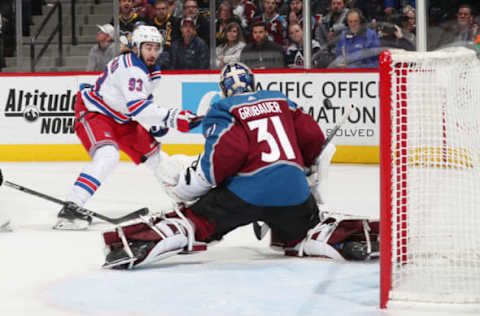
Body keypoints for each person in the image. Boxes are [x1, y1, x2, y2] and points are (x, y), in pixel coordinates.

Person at [100, 62, 380, 269]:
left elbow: (223, 159)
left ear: (223, 90)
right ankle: (349, 239)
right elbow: (314, 140)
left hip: (244, 195)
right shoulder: (282, 101)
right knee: (306, 230)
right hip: (293, 193)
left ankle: (137, 242)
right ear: (254, 83)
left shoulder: (224, 108)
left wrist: (188, 189)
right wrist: (303, 168)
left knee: (195, 222)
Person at [53, 25, 201, 230]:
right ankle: (72, 208)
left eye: (156, 48)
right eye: (148, 47)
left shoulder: (150, 69)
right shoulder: (132, 68)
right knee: (108, 155)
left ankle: (183, 202)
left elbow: (140, 102)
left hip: (121, 118)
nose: (153, 53)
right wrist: (172, 118)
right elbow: (138, 107)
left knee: (156, 158)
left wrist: (157, 123)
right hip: (96, 112)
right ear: (136, 48)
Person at [313, 0, 349, 68]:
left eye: (339, 3)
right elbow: (319, 39)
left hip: (346, 53)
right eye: (334, 3)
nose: (336, 6)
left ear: (344, 5)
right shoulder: (323, 21)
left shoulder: (350, 15)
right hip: (329, 55)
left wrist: (334, 29)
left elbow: (349, 26)